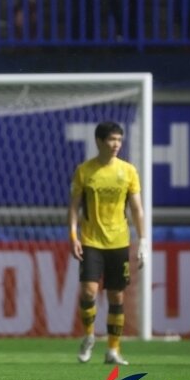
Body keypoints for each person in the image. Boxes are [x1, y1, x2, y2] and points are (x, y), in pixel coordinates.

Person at [69, 121, 146, 366]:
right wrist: (73, 237)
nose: (116, 145)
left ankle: (113, 349)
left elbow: (137, 209)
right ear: (99, 141)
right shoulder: (85, 171)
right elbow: (74, 208)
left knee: (116, 296)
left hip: (119, 242)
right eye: (112, 139)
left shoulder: (128, 171)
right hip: (91, 240)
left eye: (119, 140)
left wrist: (143, 241)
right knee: (88, 291)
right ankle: (89, 336)